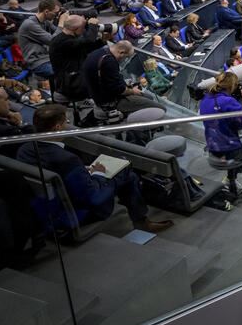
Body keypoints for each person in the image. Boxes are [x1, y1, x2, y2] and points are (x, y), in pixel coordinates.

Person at [16, 105, 173, 232]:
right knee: (126, 173)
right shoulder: (67, 159)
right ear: (57, 127)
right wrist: (99, 173)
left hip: (43, 210)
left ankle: (141, 220)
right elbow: (93, 197)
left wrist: (84, 171)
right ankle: (141, 221)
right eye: (66, 122)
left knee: (124, 174)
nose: (67, 125)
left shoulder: (24, 148)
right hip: (76, 212)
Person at [82, 41, 165, 117]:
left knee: (148, 97)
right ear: (121, 52)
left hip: (100, 94)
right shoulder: (109, 62)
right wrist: (132, 91)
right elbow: (119, 90)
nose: (124, 59)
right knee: (161, 109)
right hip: (110, 102)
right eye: (125, 57)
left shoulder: (101, 52)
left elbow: (111, 80)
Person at [48, 12, 106, 101]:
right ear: (76, 29)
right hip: (70, 83)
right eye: (83, 28)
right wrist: (92, 25)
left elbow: (84, 48)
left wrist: (102, 41)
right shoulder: (61, 42)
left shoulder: (69, 39)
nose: (84, 30)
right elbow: (89, 40)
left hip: (74, 78)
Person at [17, 0, 60, 87]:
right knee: (65, 72)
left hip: (47, 58)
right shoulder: (30, 25)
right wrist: (62, 24)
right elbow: (54, 41)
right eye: (55, 13)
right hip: (37, 63)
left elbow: (60, 35)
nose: (56, 15)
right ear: (46, 12)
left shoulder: (45, 21)